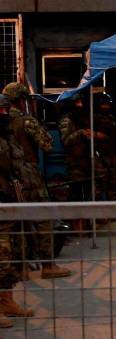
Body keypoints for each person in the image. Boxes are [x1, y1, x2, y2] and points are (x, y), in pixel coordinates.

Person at [2, 82, 71, 279]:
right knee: (43, 220)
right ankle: (48, 265)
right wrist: (36, 122)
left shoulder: (4, 122)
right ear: (22, 99)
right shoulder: (27, 121)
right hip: (29, 176)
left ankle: (21, 268)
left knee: (18, 223)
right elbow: (47, 145)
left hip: (9, 179)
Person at [0, 93, 34, 325]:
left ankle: (6, 301)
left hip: (7, 199)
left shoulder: (5, 135)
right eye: (2, 111)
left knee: (7, 253)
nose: (5, 115)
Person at [93, 93, 116, 202]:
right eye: (104, 104)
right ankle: (100, 215)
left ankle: (113, 212)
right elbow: (93, 136)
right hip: (100, 156)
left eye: (108, 104)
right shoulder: (92, 119)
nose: (106, 107)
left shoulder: (111, 118)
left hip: (113, 155)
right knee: (99, 185)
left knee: (113, 184)